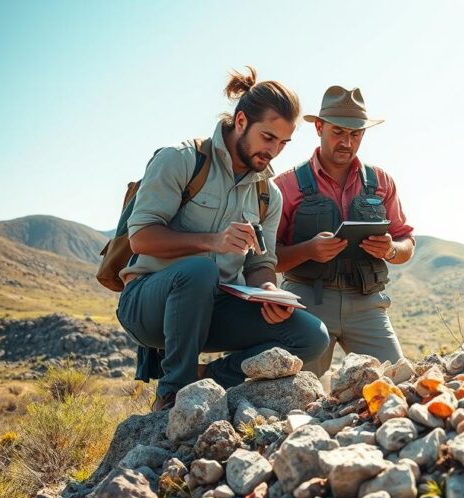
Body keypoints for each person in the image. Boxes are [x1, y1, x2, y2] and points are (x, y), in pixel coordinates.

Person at [118, 67, 330, 411]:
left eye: (283, 143)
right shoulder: (180, 160)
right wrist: (213, 242)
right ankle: (173, 393)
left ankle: (207, 377)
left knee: (310, 336)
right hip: (148, 304)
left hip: (216, 309)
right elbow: (141, 238)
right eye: (268, 137)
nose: (274, 151)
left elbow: (261, 263)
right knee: (201, 271)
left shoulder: (267, 194)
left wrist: (269, 292)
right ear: (241, 120)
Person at [273, 86, 414, 376]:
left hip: (367, 305)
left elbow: (406, 242)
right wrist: (308, 250)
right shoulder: (285, 186)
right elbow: (265, 260)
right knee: (293, 394)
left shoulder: (382, 182)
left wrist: (390, 249)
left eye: (355, 134)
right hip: (305, 303)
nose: (347, 142)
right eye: (338, 132)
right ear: (319, 128)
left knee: (399, 384)